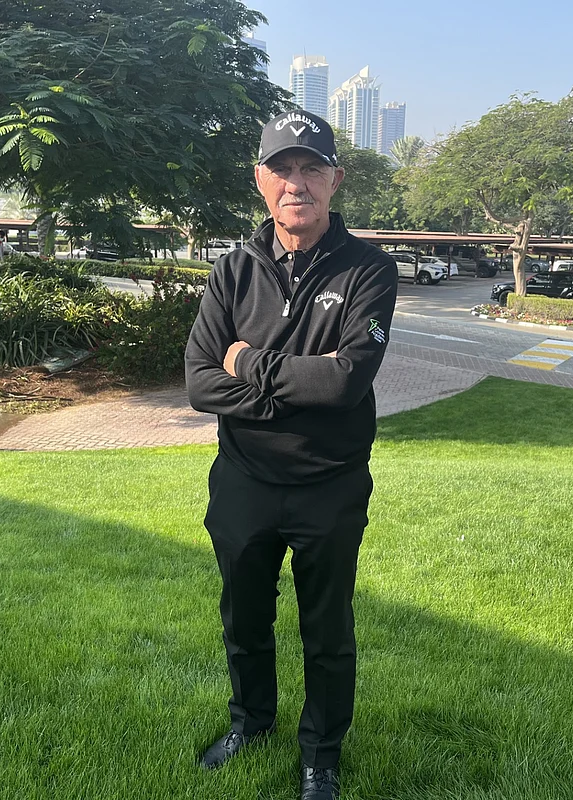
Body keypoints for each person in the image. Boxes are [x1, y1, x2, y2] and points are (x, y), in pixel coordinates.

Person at [184, 110, 398, 800]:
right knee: (244, 617)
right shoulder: (232, 270)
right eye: (282, 169)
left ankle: (320, 756)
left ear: (336, 179)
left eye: (311, 168)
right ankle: (251, 721)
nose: (295, 183)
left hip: (329, 485)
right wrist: (296, 388)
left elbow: (345, 382)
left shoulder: (370, 269)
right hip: (242, 481)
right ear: (260, 180)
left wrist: (247, 362)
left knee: (326, 630)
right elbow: (199, 383)